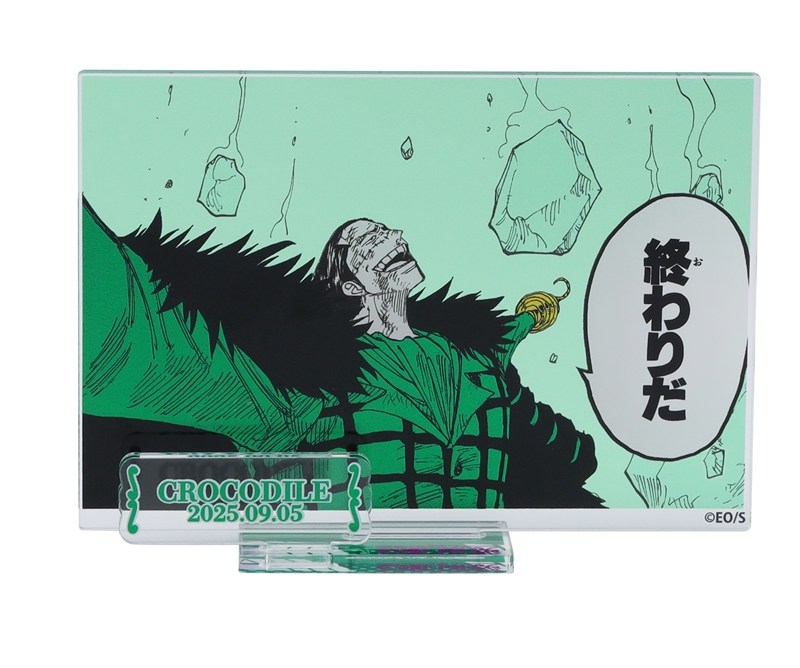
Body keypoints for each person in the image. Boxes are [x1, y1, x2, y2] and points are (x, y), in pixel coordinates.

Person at [82, 201, 601, 510]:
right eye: (370, 240)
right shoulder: (303, 384)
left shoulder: (481, 366)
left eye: (389, 232)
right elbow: (151, 341)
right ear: (350, 285)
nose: (394, 237)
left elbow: (573, 455)